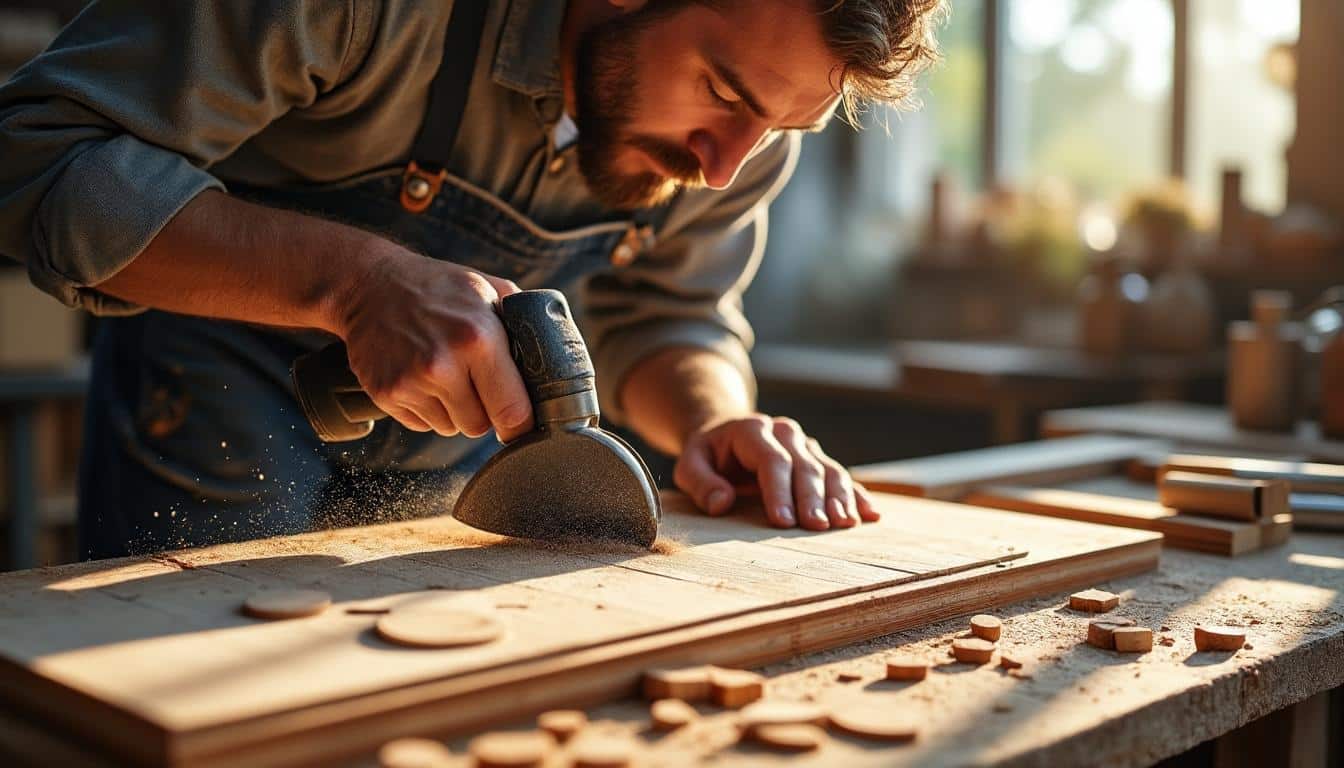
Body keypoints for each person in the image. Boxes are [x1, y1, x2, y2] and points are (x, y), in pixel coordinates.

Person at [0, 0, 947, 558]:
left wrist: (710, 420)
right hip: (211, 414)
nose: (724, 166)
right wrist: (353, 283)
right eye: (726, 95)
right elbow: (32, 158)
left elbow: (669, 311)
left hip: (456, 465)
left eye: (780, 129)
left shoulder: (731, 152)